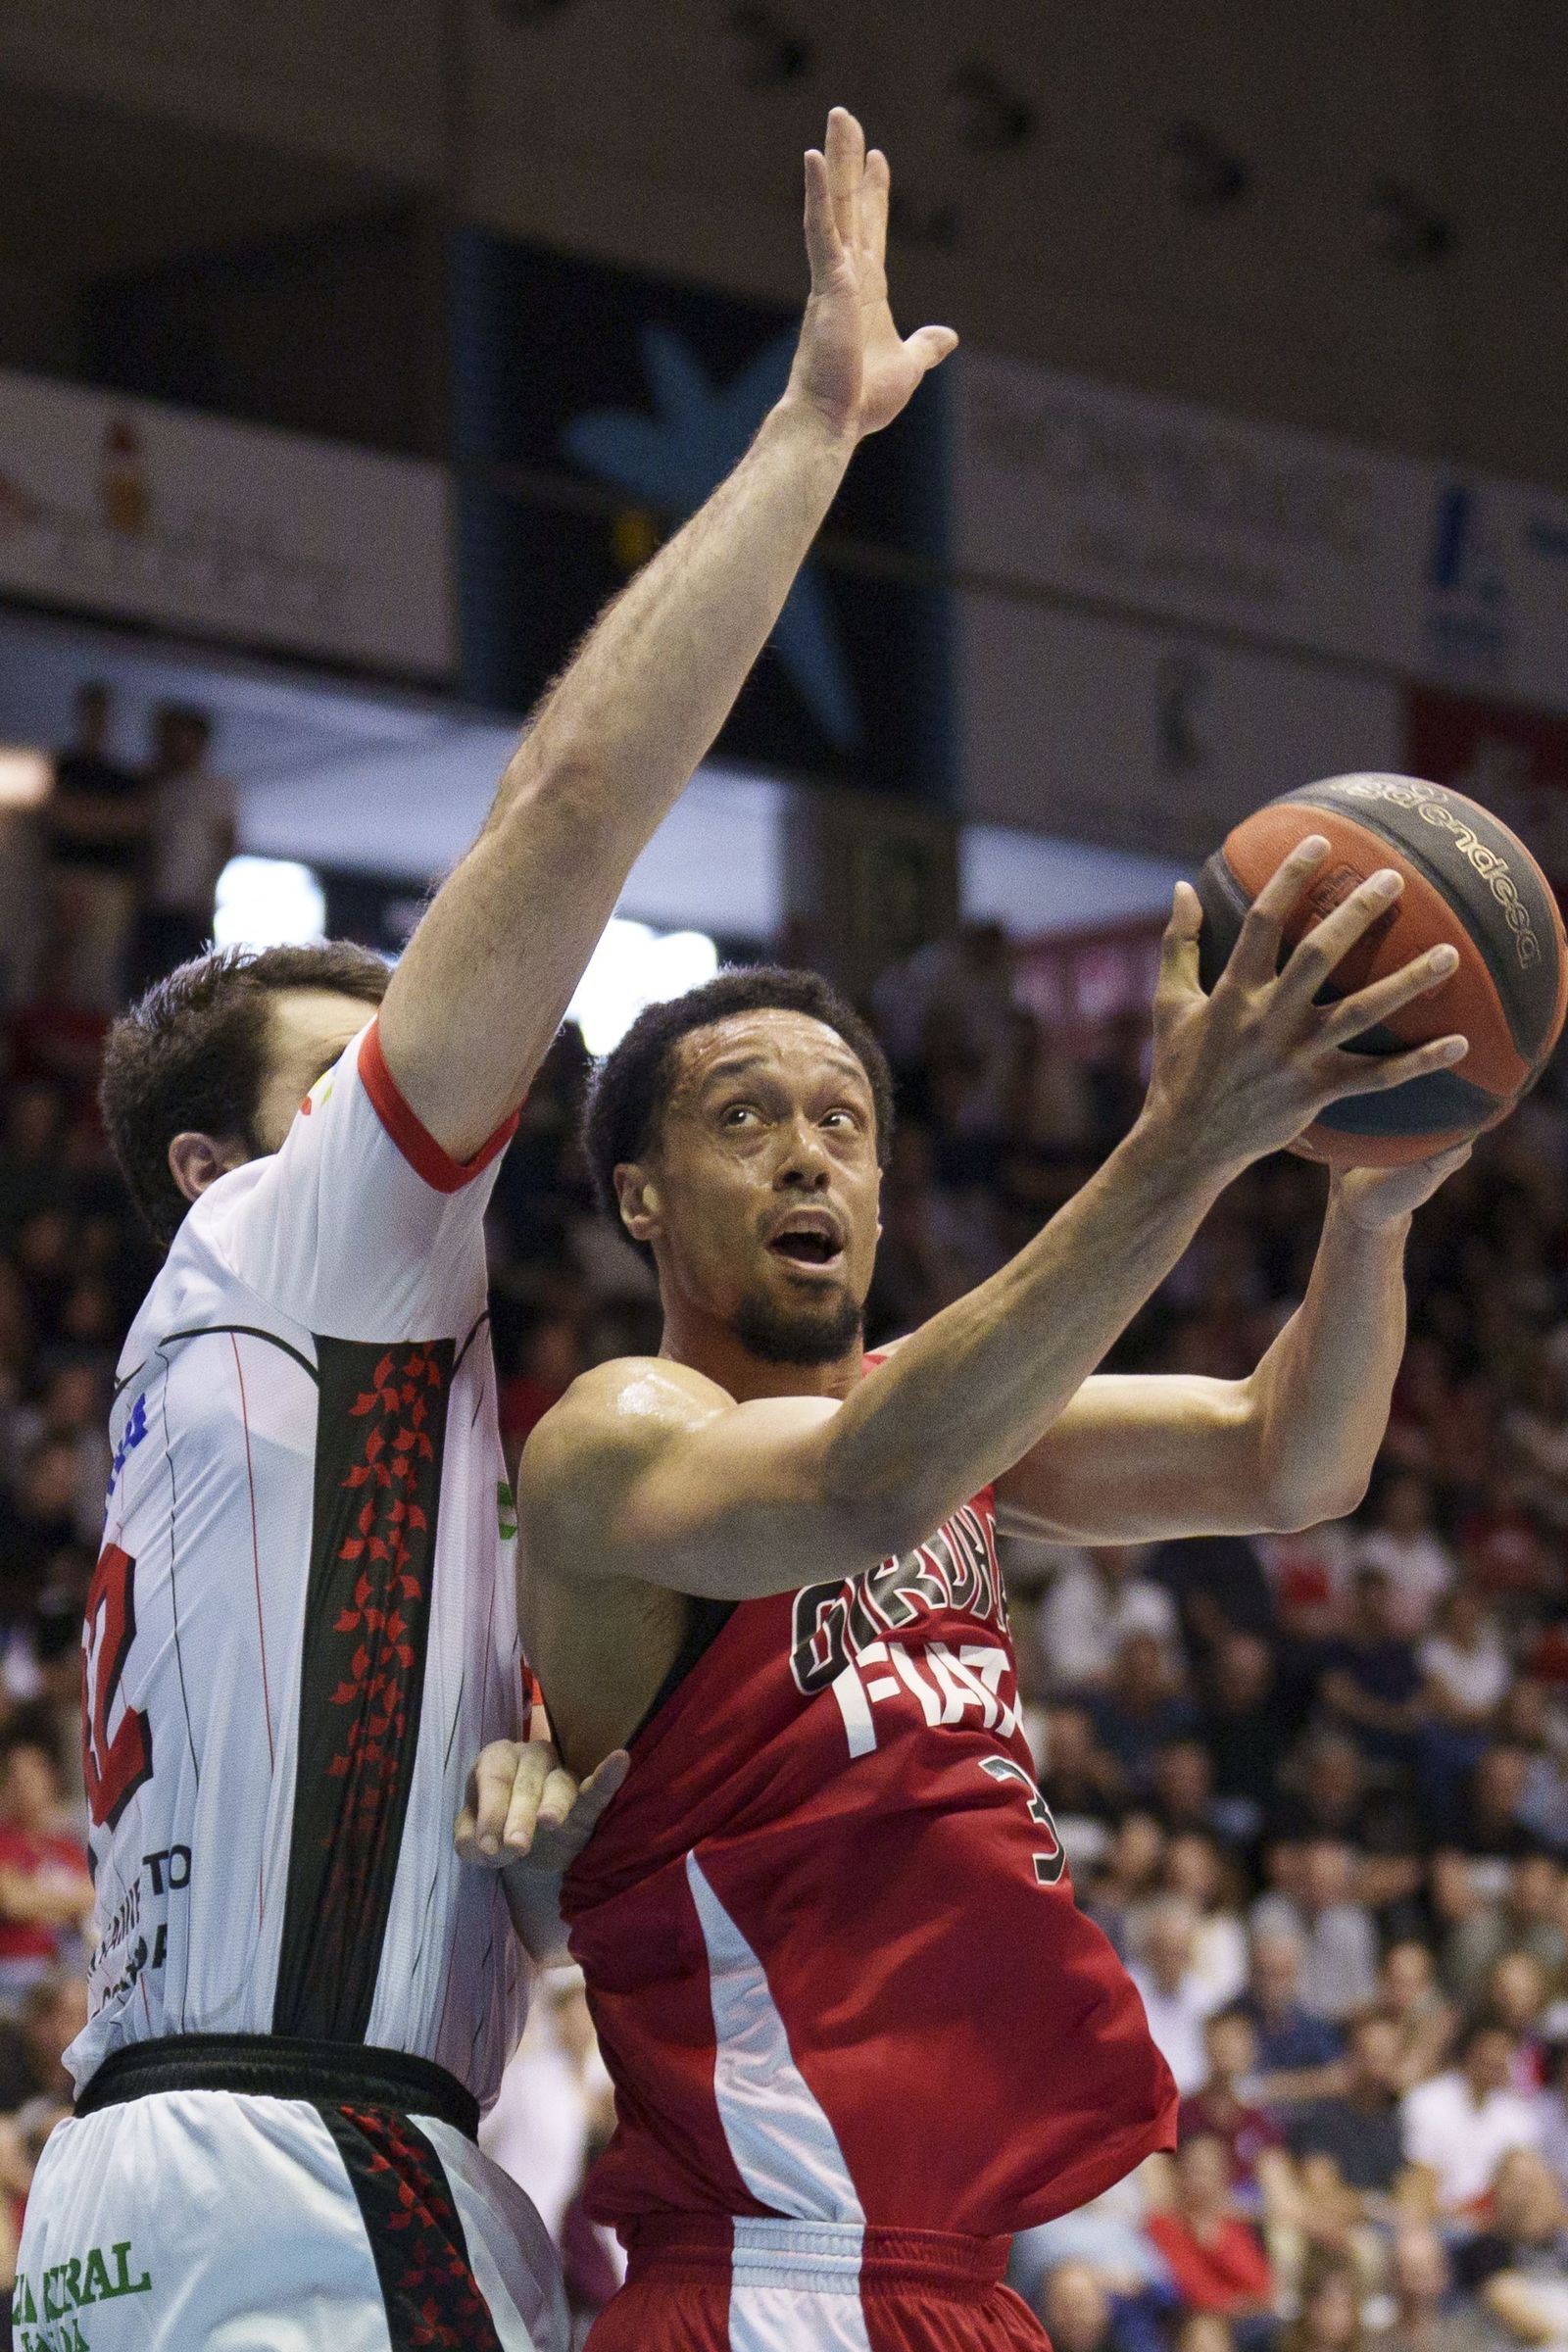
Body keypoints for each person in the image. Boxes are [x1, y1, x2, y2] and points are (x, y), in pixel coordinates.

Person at [16, 105, 959, 2352]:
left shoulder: (278, 1417)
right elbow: (563, 804)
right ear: (218, 1161)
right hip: (311, 2177)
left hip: (141, 2197)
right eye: (364, 1055)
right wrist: (807, 444)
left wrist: (528, 1832)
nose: (452, 1085)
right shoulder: (304, 1230)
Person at [469, 834, 1473, 2350]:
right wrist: (1186, 1138)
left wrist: (1369, 1216)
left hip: (966, 2286)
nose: (806, 1152)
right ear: (639, 1199)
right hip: (762, 2271)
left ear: (880, 1189)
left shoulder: (949, 1430)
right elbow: (867, 1480)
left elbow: (1291, 1459)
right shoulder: (617, 1437)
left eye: (842, 1123)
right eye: (743, 1119)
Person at [44, 682, 149, 1012]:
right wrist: (107, 821)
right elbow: (62, 818)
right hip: (69, 875)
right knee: (62, 959)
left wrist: (86, 818)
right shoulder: (67, 767)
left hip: (107, 882)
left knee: (99, 962)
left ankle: (88, 1034)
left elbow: (135, 822)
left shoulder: (124, 777)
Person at [1400, 2021, 1544, 2213]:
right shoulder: (1425, 2102)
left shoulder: (1519, 2116)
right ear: (1469, 2054)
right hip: (1438, 2216)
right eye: (1487, 2057)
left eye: (1501, 2058)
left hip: (1496, 2220)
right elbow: (1419, 2175)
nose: (1494, 2062)